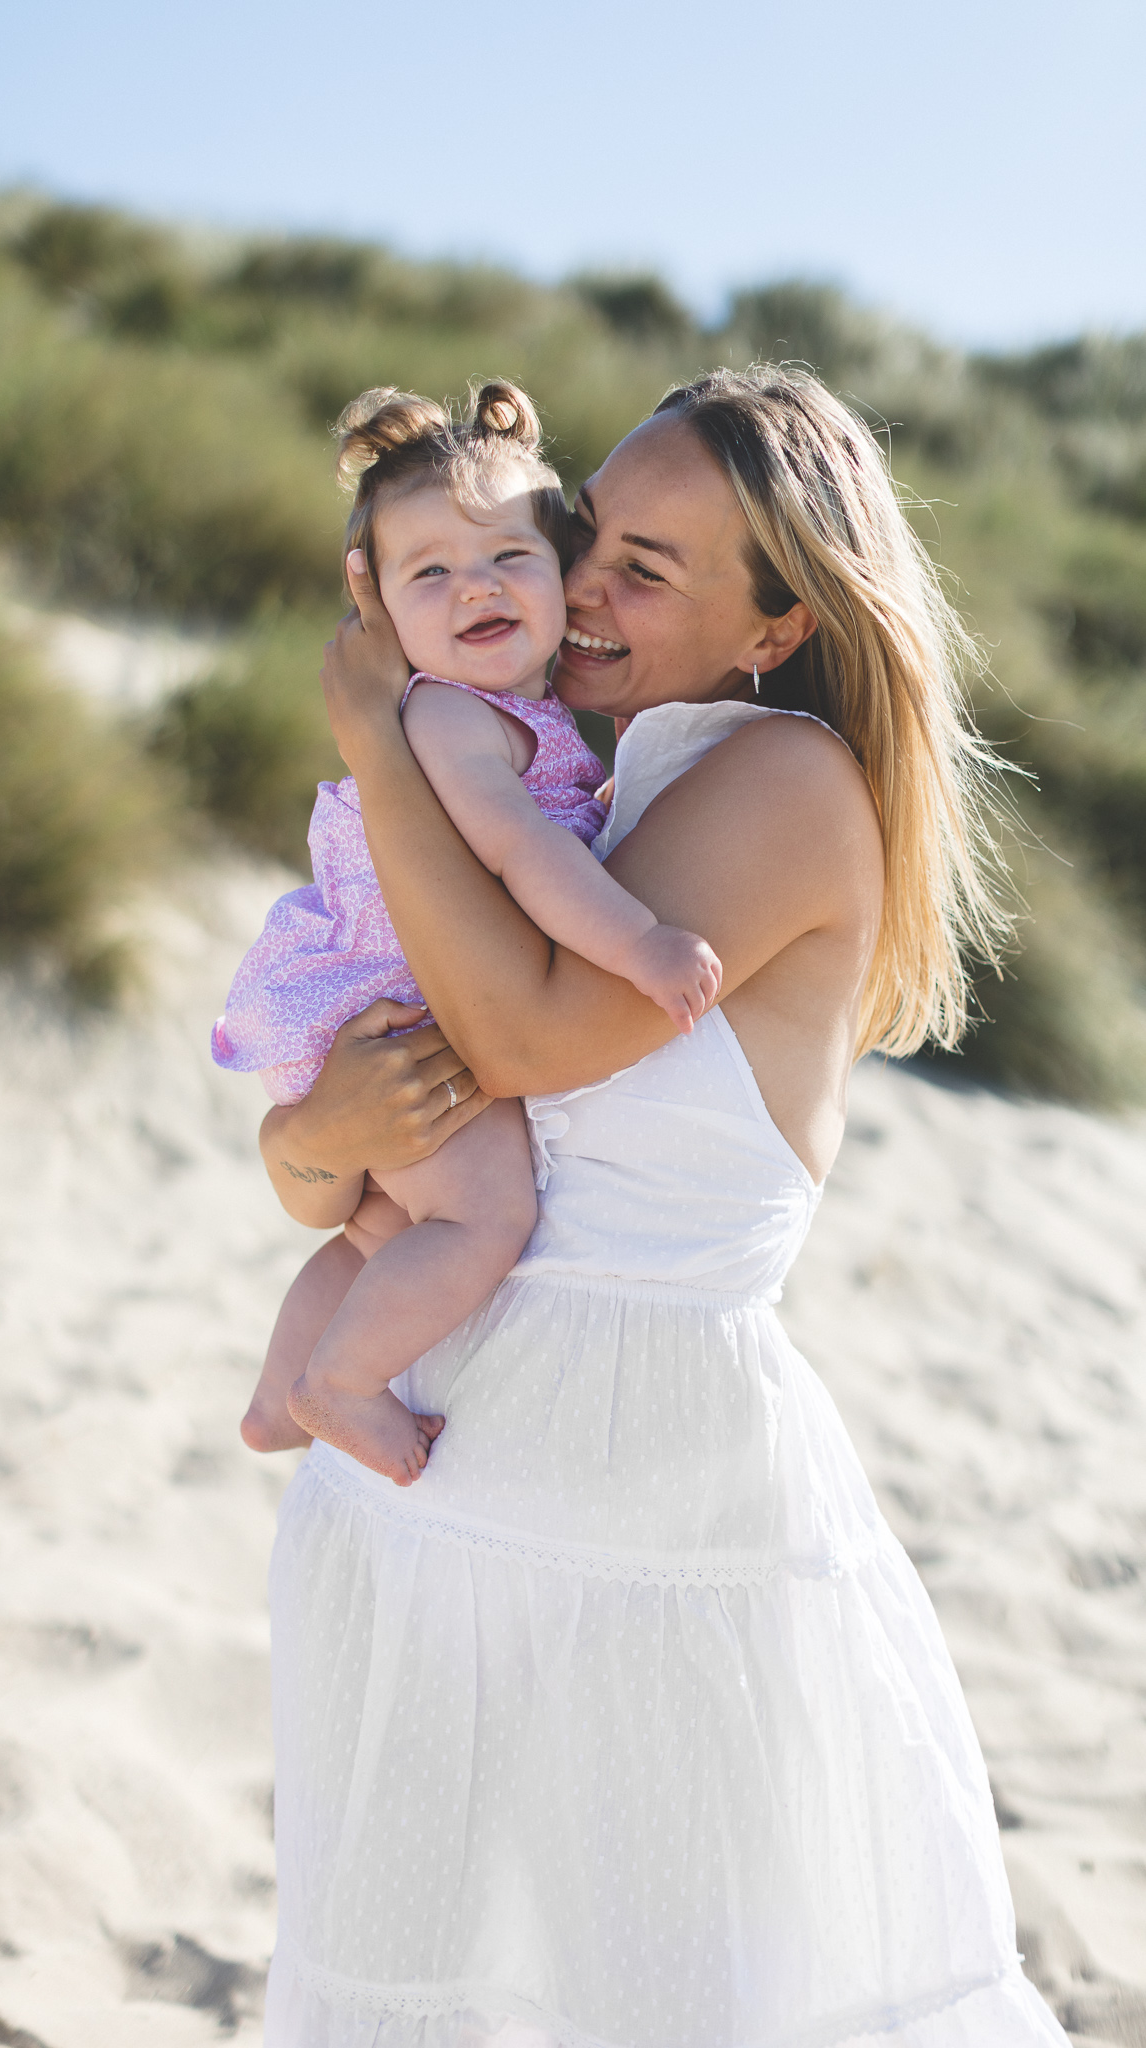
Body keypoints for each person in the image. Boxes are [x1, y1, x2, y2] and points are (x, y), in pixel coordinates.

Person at [258, 366, 1071, 2045]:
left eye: (653, 567)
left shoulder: (778, 783)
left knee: (655, 1985)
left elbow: (529, 1040)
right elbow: (348, 1167)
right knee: (429, 1967)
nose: (586, 591)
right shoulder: (595, 785)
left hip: (634, 1492)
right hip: (443, 1463)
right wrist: (311, 1135)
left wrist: (384, 746)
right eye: (588, 540)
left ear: (777, 626)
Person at [215, 380, 718, 1485]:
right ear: (379, 611)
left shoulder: (521, 716)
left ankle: (273, 1394)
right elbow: (526, 858)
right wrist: (640, 944)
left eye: (507, 557)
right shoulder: (452, 716)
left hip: (386, 996)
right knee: (486, 1213)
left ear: (562, 575)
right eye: (428, 571)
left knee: (374, 1230)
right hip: (401, 1003)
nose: (473, 586)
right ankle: (336, 1384)